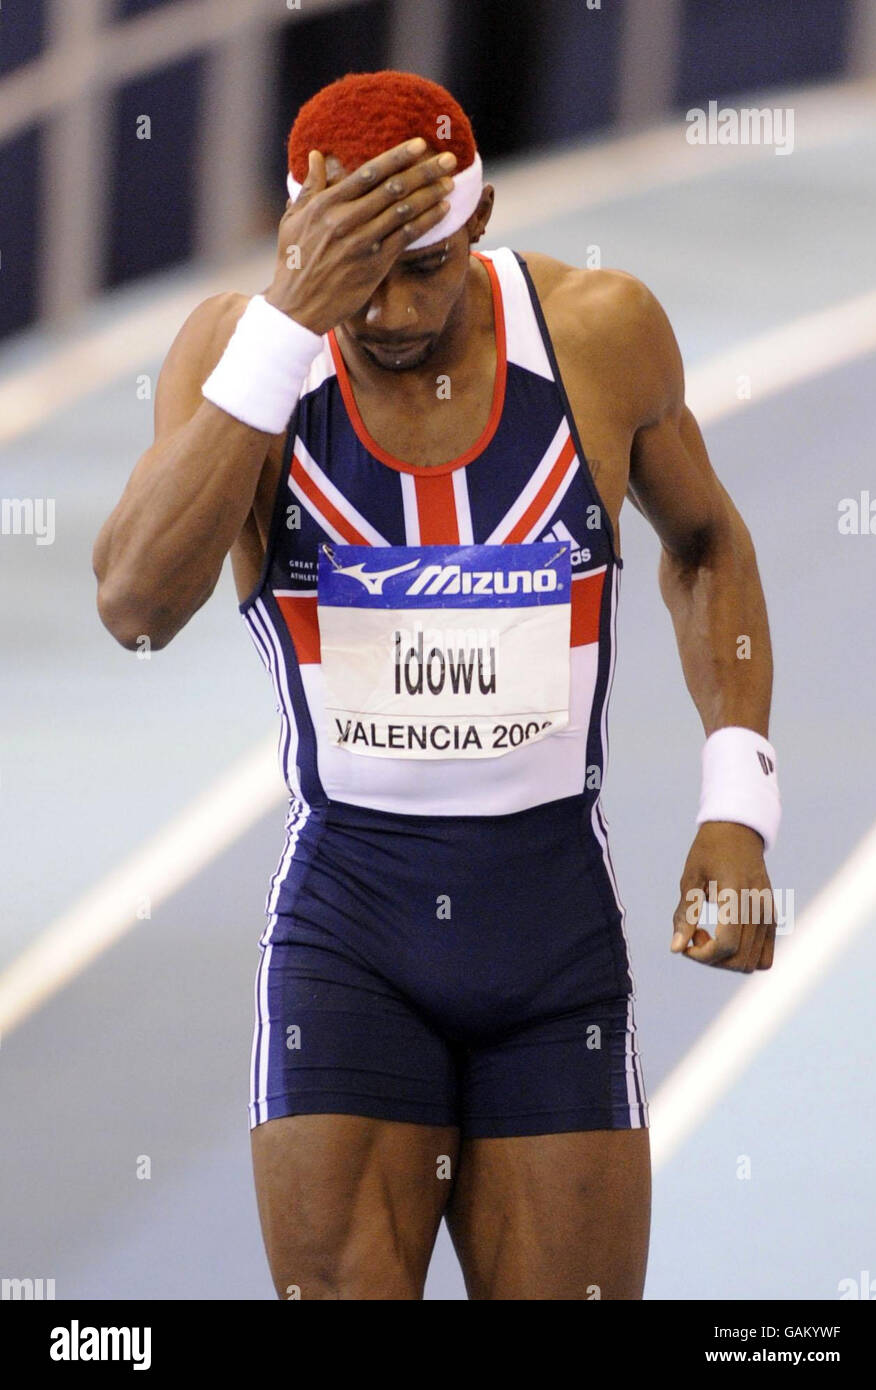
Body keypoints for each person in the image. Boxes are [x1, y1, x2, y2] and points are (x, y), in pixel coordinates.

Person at [93, 70, 780, 1301]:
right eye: (355, 267)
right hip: (348, 932)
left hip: (551, 927)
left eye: (423, 263)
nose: (391, 307)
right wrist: (285, 321)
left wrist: (738, 802)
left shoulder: (599, 331)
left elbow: (704, 541)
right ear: (298, 235)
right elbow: (136, 605)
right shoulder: (238, 355)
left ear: (480, 219)